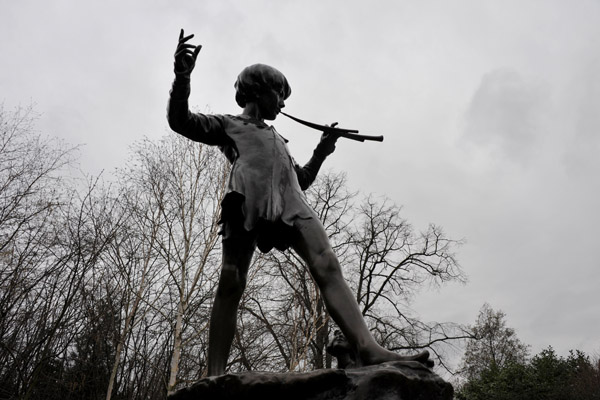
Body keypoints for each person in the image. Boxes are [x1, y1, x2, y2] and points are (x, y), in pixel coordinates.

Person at [167, 29, 432, 376]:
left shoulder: (279, 139)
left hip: (292, 203)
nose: (283, 102)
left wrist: (322, 150)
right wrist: (182, 79)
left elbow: (300, 180)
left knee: (327, 263)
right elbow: (181, 121)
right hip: (248, 198)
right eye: (279, 93)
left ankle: (367, 349)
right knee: (231, 279)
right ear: (257, 91)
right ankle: (215, 374)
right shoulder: (229, 125)